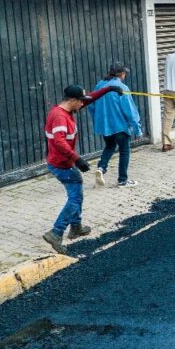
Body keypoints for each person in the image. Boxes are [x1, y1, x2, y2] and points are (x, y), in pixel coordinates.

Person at [42, 83, 120, 254]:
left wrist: (109, 89)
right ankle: (56, 232)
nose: (83, 105)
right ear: (72, 100)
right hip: (61, 164)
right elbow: (59, 141)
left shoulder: (67, 109)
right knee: (75, 198)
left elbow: (89, 98)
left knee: (77, 193)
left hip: (63, 162)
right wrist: (77, 159)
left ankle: (76, 226)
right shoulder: (60, 117)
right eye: (81, 101)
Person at [91, 62, 142, 188]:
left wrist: (97, 119)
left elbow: (91, 105)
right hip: (120, 126)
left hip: (105, 126)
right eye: (124, 72)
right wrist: (137, 129)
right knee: (124, 151)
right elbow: (130, 110)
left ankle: (101, 168)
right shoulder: (122, 88)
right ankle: (122, 180)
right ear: (121, 74)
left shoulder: (99, 85)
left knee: (109, 146)